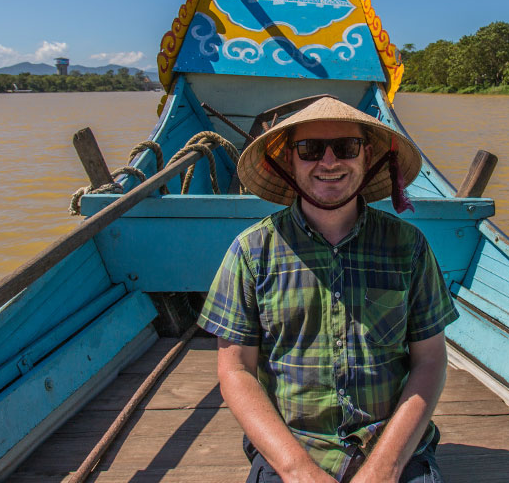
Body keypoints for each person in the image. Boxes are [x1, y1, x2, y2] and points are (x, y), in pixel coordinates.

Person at [197, 97, 459, 483]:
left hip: (391, 447)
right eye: (310, 149)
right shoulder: (252, 252)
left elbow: (431, 360)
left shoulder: (409, 247)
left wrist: (385, 469)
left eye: (347, 148)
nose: (330, 161)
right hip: (292, 447)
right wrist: (297, 469)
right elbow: (236, 370)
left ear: (367, 156)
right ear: (289, 160)